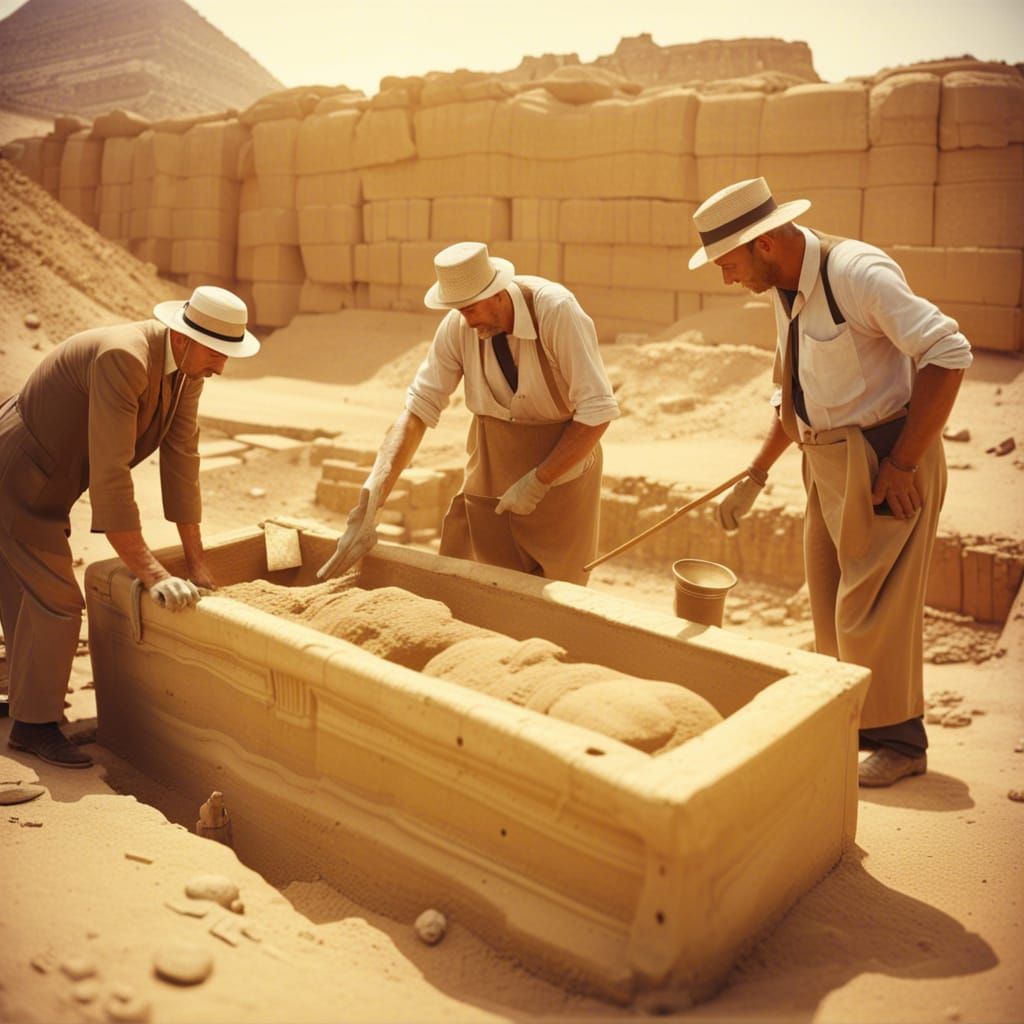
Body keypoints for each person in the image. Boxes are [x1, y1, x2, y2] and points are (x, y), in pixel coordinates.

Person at [691, 177, 972, 788]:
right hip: (826, 462)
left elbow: (948, 352)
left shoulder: (857, 273)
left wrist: (902, 463)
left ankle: (901, 743)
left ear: (764, 243)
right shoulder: (784, 286)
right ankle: (859, 729)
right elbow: (792, 392)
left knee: (872, 612)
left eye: (727, 262)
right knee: (831, 608)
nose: (725, 277)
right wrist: (757, 474)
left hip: (884, 458)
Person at [0, 285, 261, 768]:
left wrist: (198, 565)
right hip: (19, 467)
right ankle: (32, 728)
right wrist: (155, 575)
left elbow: (182, 462)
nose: (222, 366)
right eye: (218, 353)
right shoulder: (125, 359)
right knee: (56, 599)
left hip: (52, 474)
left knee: (24, 587)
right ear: (184, 337)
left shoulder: (187, 372)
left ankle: (20, 696)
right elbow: (112, 478)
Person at [318, 241, 620, 585]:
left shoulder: (557, 312)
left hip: (563, 477)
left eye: (471, 308)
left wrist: (539, 481)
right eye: (458, 309)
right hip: (492, 466)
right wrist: (373, 499)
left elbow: (597, 411)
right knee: (475, 587)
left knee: (555, 600)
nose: (466, 319)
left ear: (498, 293)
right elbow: (417, 411)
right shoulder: (459, 325)